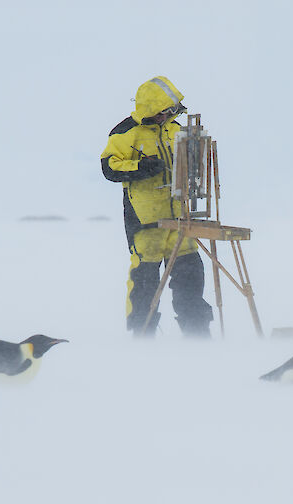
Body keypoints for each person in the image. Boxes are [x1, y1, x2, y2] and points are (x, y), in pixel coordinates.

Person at [101, 76, 213, 337]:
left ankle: (198, 335)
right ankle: (143, 336)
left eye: (172, 112)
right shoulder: (126, 132)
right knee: (145, 284)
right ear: (153, 109)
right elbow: (109, 167)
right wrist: (141, 167)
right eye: (165, 111)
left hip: (180, 221)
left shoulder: (176, 131)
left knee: (190, 277)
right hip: (146, 223)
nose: (169, 116)